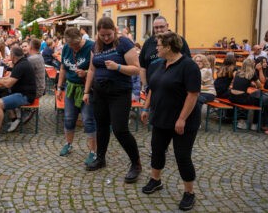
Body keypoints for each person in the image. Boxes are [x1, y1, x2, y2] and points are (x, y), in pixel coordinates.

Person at [140, 32, 201, 211]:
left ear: (168, 47)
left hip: (183, 121)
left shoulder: (188, 66)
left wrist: (182, 118)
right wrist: (145, 107)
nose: (156, 48)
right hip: (161, 117)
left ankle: (189, 192)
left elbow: (193, 94)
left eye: (158, 45)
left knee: (182, 156)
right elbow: (153, 87)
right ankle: (156, 180)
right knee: (157, 150)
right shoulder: (162, 64)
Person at [83, 17, 142, 183]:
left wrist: (118, 67)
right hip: (100, 93)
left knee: (120, 129)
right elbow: (91, 70)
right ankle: (101, 158)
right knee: (101, 126)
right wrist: (87, 91)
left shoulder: (124, 43)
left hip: (120, 93)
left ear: (114, 30)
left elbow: (136, 69)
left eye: (108, 34)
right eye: (102, 35)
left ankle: (136, 164)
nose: (106, 38)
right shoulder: (96, 45)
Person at [56, 27, 96, 165]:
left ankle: (93, 152)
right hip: (70, 87)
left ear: (81, 39)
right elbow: (63, 68)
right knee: (68, 118)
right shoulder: (67, 48)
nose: (74, 48)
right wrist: (60, 87)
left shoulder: (91, 47)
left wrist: (85, 73)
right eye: (71, 45)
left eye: (76, 45)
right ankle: (68, 144)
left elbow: (96, 69)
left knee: (88, 120)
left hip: (87, 89)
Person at [0, 47, 37, 144]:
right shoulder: (22, 63)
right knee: (0, 93)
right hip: (22, 92)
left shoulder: (21, 66)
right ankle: (14, 119)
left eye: (10, 55)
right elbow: (8, 78)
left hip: (25, 96)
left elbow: (8, 83)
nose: (9, 57)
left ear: (13, 56)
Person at [139, 16, 191, 94]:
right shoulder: (148, 43)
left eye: (161, 27)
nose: (159, 30)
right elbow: (142, 67)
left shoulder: (178, 40)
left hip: (174, 88)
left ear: (167, 25)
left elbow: (188, 63)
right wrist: (146, 85)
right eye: (156, 27)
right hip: (152, 89)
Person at [229, 58, 262, 130]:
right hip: (241, 98)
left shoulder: (238, 72)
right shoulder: (252, 73)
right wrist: (253, 84)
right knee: (258, 100)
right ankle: (254, 124)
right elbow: (260, 86)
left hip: (232, 97)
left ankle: (241, 121)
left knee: (247, 96)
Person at [21, 38, 45, 124]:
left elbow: (21, 74)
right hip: (40, 87)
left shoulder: (32, 59)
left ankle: (17, 116)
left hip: (36, 90)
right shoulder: (39, 56)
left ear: (30, 47)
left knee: (9, 90)